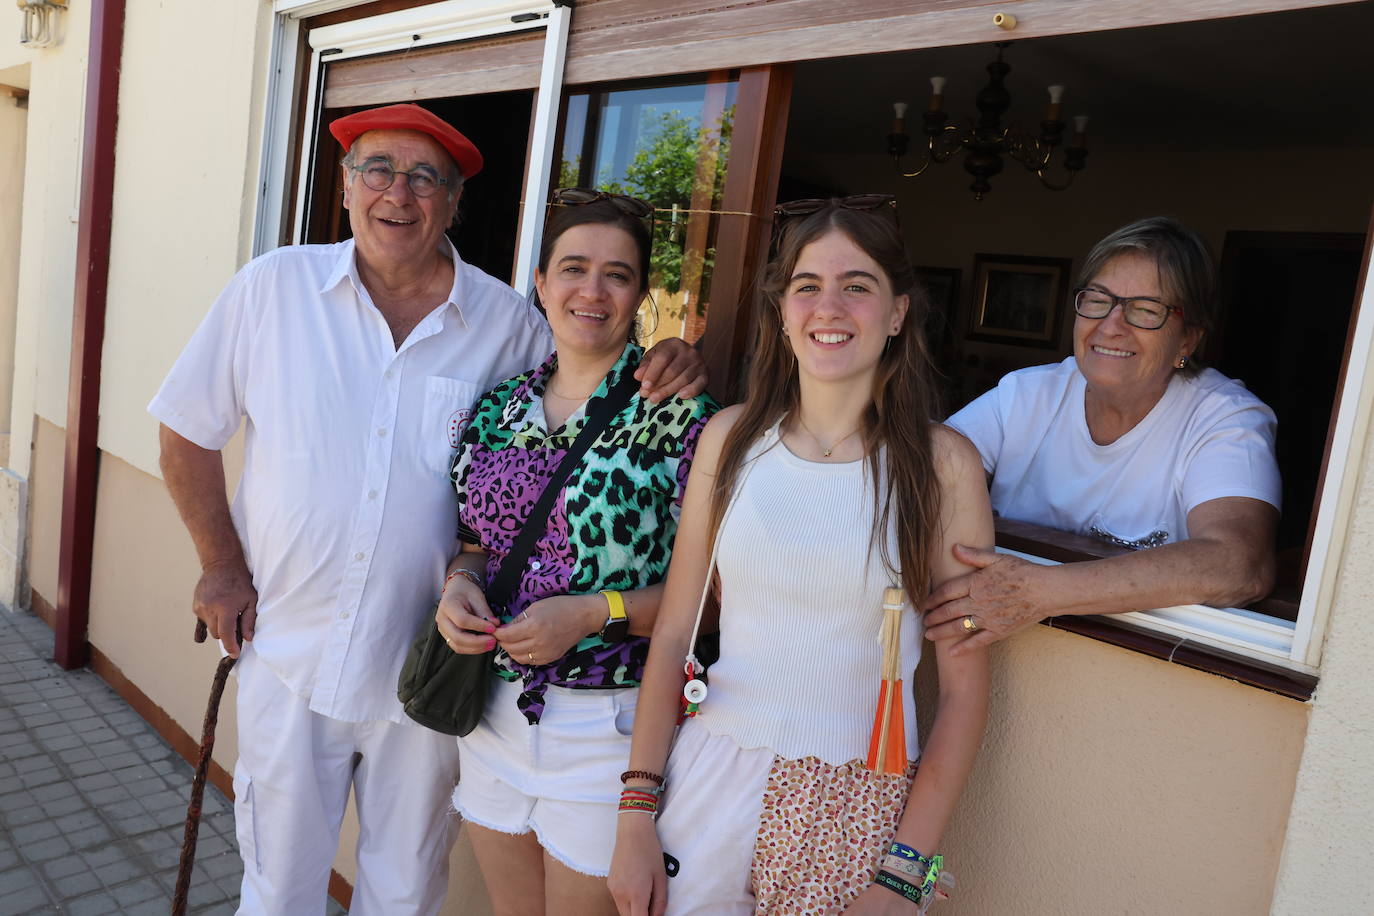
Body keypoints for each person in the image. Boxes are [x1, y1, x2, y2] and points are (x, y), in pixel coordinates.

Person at [150, 105, 705, 915]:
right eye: (378, 170)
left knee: (404, 892)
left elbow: (593, 378)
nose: (398, 194)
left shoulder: (509, 323)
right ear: (345, 188)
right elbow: (185, 431)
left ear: (452, 204)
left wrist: (671, 355)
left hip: (430, 680)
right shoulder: (273, 288)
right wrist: (220, 566)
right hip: (290, 653)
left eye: (425, 179)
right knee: (275, 890)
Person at [608, 196, 993, 915]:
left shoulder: (943, 466)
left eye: (858, 285)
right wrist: (635, 813)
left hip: (856, 799)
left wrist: (903, 875)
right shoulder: (728, 441)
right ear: (782, 311)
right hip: (710, 775)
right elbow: (674, 634)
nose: (830, 306)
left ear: (899, 312)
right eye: (807, 285)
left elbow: (966, 691)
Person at [433, 189, 718, 914]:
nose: (591, 290)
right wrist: (458, 586)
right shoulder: (499, 408)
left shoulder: (682, 416)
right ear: (540, 282)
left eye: (617, 274)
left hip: (610, 727)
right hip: (492, 710)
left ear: (640, 293)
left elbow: (713, 599)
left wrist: (593, 612)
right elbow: (476, 545)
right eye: (573, 268)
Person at [926, 216, 1281, 653]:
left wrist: (1042, 592)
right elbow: (919, 474)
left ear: (1188, 339)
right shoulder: (1026, 393)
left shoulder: (1225, 417)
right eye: (1097, 301)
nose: (1111, 325)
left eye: (1146, 310)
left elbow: (1238, 566)